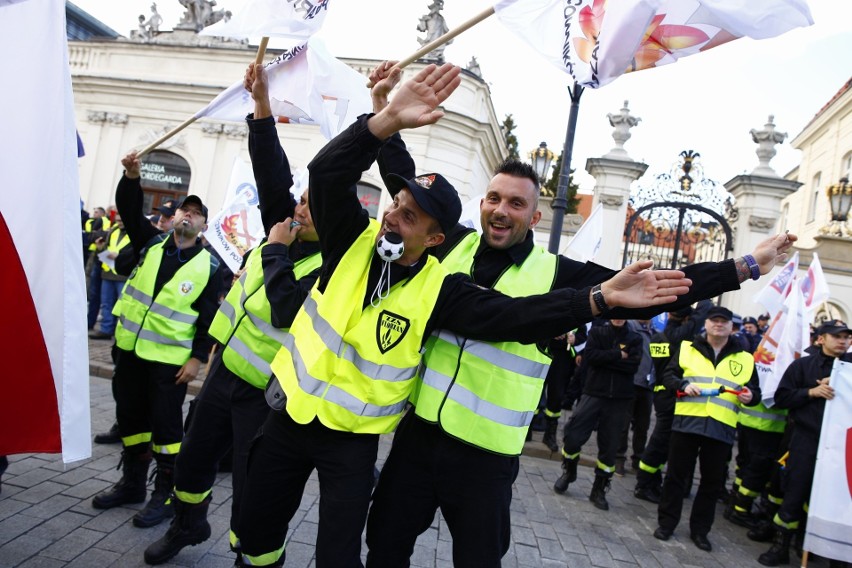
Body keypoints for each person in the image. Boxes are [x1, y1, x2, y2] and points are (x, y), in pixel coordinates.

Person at [233, 63, 694, 568]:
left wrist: (600, 299)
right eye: (395, 205)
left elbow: (516, 316)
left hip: (355, 444)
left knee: (340, 557)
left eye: (409, 216)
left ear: (435, 240)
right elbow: (326, 173)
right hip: (285, 418)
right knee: (255, 537)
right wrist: (385, 117)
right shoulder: (351, 240)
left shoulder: (441, 289)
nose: (391, 216)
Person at [363, 62, 798, 567]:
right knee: (385, 549)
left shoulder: (559, 271)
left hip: (487, 455)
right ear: (483, 204)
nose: (502, 210)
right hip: (418, 437)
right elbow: (404, 183)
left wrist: (745, 265)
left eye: (517, 203)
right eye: (495, 198)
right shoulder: (450, 244)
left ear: (536, 215)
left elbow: (656, 287)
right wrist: (384, 112)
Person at [142, 63, 324, 565]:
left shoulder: (330, 264)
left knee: (254, 495)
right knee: (193, 461)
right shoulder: (282, 225)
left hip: (268, 398)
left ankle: (255, 557)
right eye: (302, 200)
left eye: (311, 205)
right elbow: (270, 171)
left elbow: (288, 310)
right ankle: (188, 523)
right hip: (224, 375)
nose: (300, 208)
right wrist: (262, 105)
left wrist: (277, 250)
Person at [90, 156, 222, 531]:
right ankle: (131, 483)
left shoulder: (209, 267)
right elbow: (131, 210)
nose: (187, 215)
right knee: (130, 419)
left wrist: (198, 359)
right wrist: (132, 177)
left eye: (196, 213)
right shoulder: (152, 244)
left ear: (203, 226)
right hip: (130, 352)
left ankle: (163, 495)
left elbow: (208, 319)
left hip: (169, 364)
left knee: (166, 430)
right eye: (185, 208)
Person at [653, 306, 761, 552]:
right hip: (687, 422)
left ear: (732, 327)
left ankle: (700, 531)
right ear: (707, 324)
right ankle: (667, 524)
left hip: (721, 427)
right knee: (676, 477)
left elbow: (755, 393)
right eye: (715, 321)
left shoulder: (745, 358)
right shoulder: (687, 349)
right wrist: (682, 384)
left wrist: (750, 395)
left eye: (724, 322)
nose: (719, 325)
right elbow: (667, 377)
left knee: (711, 484)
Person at [757, 321, 852, 566]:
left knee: (829, 498)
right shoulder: (803, 366)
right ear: (821, 339)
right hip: (806, 439)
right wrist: (811, 392)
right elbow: (781, 397)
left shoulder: (850, 369)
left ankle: (813, 545)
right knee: (794, 493)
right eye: (836, 336)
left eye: (846, 337)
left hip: (840, 446)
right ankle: (781, 546)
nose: (842, 341)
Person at [554, 318, 642, 509]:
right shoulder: (597, 333)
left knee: (610, 447)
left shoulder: (635, 338)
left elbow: (633, 365)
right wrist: (619, 355)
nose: (618, 317)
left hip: (619, 399)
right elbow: (591, 357)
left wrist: (606, 357)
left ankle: (599, 489)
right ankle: (569, 471)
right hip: (593, 392)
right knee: (573, 436)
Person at [633, 301, 711, 503]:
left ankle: (652, 480)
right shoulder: (680, 338)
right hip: (671, 395)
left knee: (664, 441)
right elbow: (700, 315)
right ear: (686, 319)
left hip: (661, 393)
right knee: (661, 442)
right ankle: (644, 483)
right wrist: (705, 294)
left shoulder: (659, 337)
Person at [616, 318, 655, 475]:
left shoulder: (656, 333)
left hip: (647, 386)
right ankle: (619, 459)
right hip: (630, 382)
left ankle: (638, 458)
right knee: (623, 424)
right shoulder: (629, 327)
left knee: (643, 426)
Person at [89, 213, 131, 339]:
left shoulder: (133, 233)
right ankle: (106, 330)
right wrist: (101, 249)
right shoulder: (113, 231)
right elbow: (107, 248)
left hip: (123, 275)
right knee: (106, 304)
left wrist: (118, 256)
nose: (119, 223)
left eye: (121, 220)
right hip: (108, 272)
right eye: (117, 220)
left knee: (123, 306)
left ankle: (121, 332)